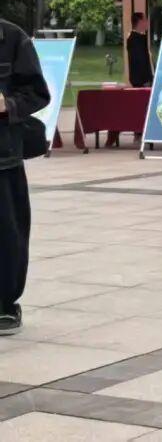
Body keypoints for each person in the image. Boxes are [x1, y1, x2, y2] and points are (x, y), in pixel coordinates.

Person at [0, 19, 49, 335]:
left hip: (3, 158)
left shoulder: (11, 38)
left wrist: (8, 104)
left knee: (8, 235)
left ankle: (5, 304)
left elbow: (37, 93)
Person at [127, 12, 154, 88]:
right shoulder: (135, 39)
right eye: (145, 19)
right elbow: (140, 60)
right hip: (141, 81)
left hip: (143, 80)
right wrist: (146, 80)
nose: (147, 22)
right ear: (140, 21)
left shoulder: (139, 38)